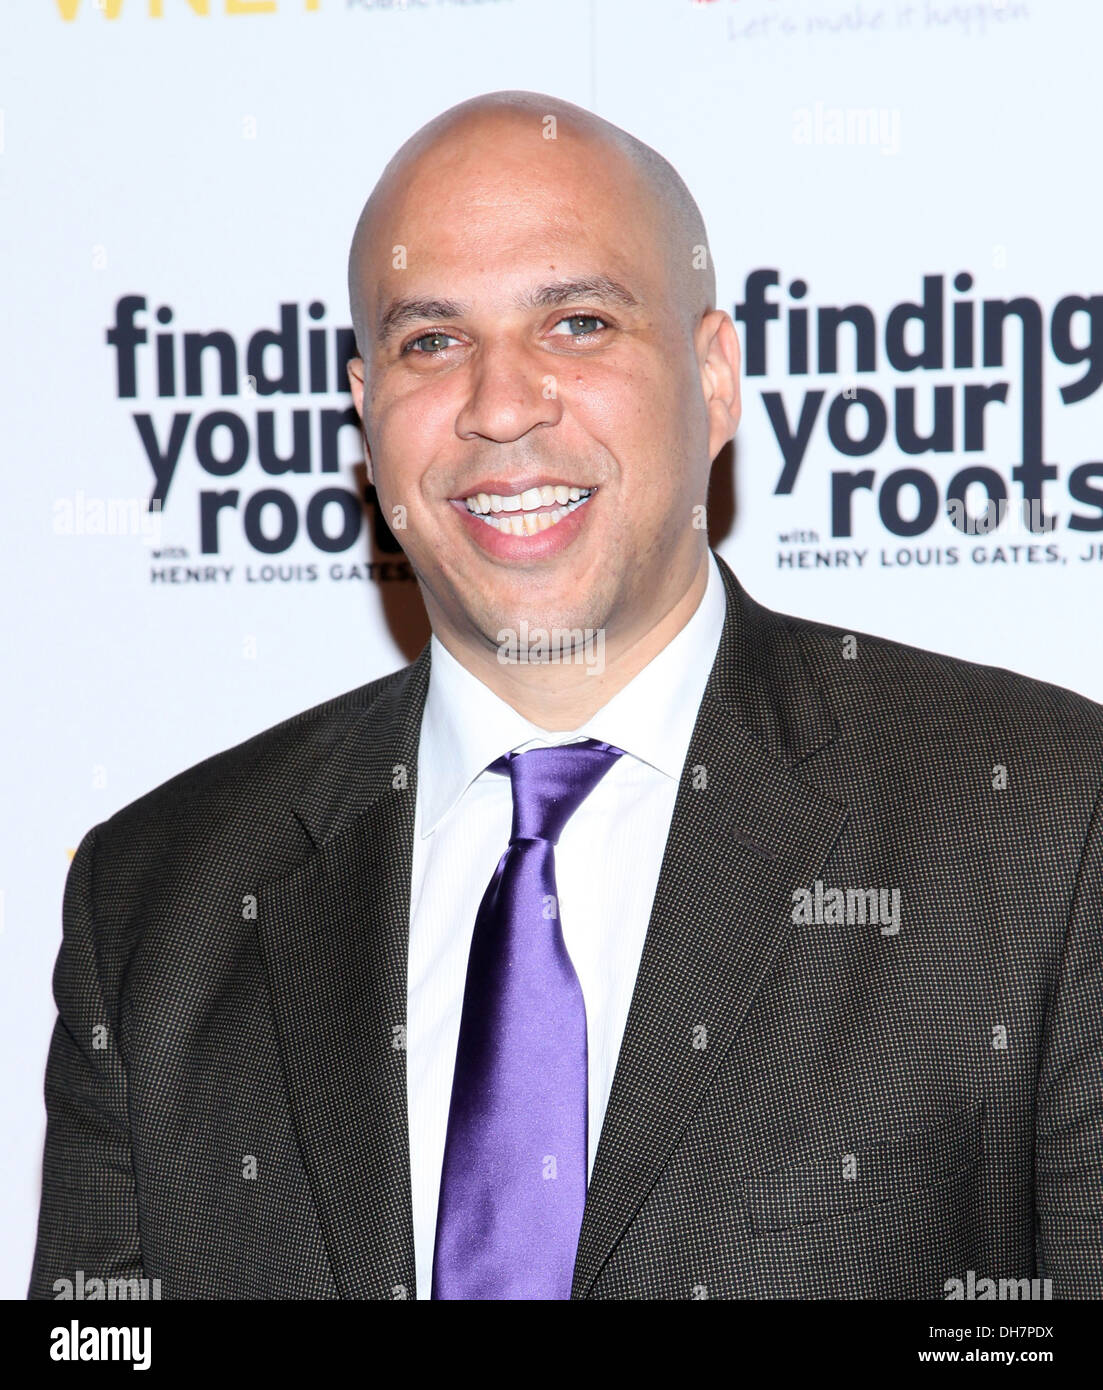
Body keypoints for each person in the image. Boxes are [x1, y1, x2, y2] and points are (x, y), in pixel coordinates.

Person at [30, 91, 1103, 1301]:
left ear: (713, 378)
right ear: (364, 409)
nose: (499, 404)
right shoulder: (156, 904)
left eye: (577, 323)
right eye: (430, 342)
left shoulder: (1042, 825)